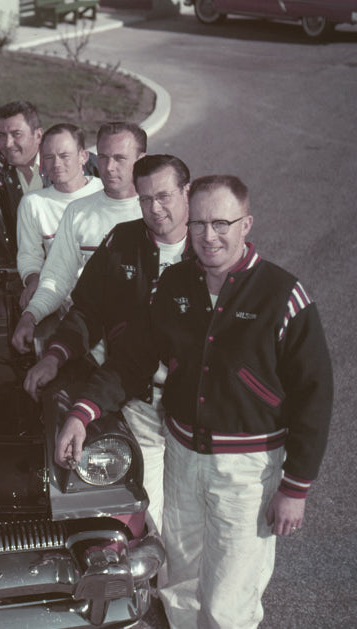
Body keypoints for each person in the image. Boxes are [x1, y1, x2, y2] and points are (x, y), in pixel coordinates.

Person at [55, 175, 333, 629]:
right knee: (179, 589)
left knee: (227, 605)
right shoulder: (174, 284)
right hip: (182, 460)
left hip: (246, 473)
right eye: (200, 222)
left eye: (222, 223)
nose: (208, 236)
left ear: (247, 224)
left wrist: (295, 488)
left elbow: (315, 397)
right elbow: (131, 360)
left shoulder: (283, 295)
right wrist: (83, 412)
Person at [25, 154, 193, 535]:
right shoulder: (122, 240)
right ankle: (159, 590)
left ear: (188, 191)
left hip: (196, 413)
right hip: (136, 401)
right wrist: (55, 354)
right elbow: (87, 312)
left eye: (164, 196)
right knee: (148, 518)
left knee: (194, 523)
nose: (154, 208)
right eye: (145, 198)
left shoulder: (209, 251)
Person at [12, 122, 147, 352]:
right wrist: (30, 316)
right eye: (103, 157)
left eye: (120, 158)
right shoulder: (76, 212)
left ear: (141, 159)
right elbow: (56, 278)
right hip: (91, 342)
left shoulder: (156, 209)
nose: (109, 167)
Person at [16, 123, 103, 309]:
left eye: (64, 156)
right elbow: (29, 256)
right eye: (49, 157)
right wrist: (33, 281)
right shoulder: (33, 203)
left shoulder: (106, 192)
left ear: (83, 156)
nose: (56, 164)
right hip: (61, 302)